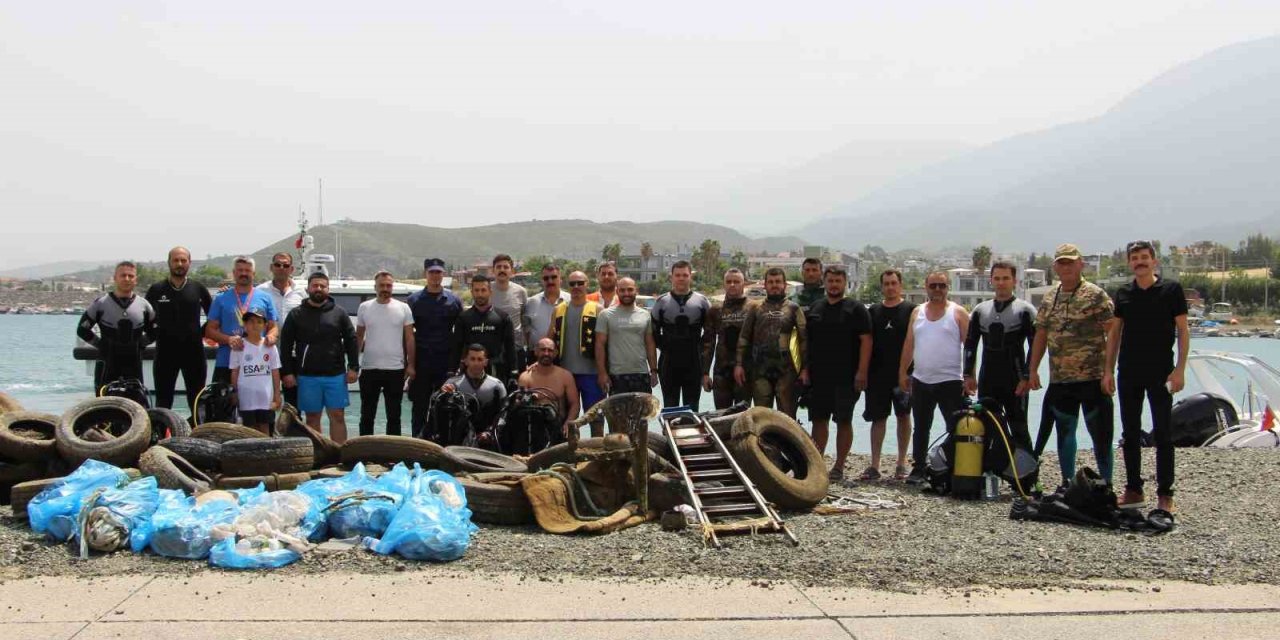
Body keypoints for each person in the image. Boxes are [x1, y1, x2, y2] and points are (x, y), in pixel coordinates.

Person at [1105, 240, 1188, 513]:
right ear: (1130, 263)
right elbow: (1115, 333)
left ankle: (1165, 494)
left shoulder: (1171, 290)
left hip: (1161, 371)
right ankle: (1133, 489)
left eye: (1144, 257)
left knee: (1163, 433)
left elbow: (1183, 331)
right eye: (1134, 258)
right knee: (1130, 433)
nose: (1139, 262)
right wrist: (1108, 370)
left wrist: (1180, 369)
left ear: (1154, 261)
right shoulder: (1124, 293)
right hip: (1129, 371)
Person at [1029, 243, 1116, 490]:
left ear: (1080, 264)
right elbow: (1041, 335)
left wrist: (1109, 371)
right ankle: (1068, 483)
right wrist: (1033, 369)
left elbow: (1113, 333)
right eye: (1062, 262)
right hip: (1061, 379)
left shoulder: (1096, 295)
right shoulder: (1050, 297)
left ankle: (1107, 484)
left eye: (1071, 262)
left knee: (1101, 435)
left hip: (1093, 378)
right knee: (1065, 432)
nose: (1066, 267)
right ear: (1055, 266)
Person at [900, 271, 970, 485]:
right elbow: (909, 344)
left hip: (951, 380)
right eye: (933, 286)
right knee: (921, 427)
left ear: (948, 287)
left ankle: (955, 466)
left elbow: (970, 348)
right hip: (921, 380)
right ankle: (919, 467)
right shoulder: (917, 312)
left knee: (955, 427)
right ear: (926, 287)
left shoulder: (958, 313)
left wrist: (970, 376)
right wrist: (903, 371)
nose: (937, 290)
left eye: (942, 285)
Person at [804, 266, 872, 482]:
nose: (834, 285)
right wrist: (805, 370)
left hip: (847, 376)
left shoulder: (857, 309)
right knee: (818, 420)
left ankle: (839, 466)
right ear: (825, 282)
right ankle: (818, 463)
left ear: (844, 284)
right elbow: (806, 342)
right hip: (819, 376)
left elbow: (866, 341)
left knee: (844, 420)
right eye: (831, 281)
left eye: (838, 281)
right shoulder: (815, 308)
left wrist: (862, 372)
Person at [963, 261, 1037, 454]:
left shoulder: (1025, 311)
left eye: (1006, 278)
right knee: (986, 427)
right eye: (997, 278)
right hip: (988, 379)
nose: (1001, 282)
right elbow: (970, 344)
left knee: (1019, 428)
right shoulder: (980, 311)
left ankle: (1027, 479)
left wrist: (1027, 377)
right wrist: (968, 375)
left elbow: (1035, 346)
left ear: (1015, 281)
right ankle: (985, 477)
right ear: (991, 281)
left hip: (1015, 380)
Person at [279, 272, 360, 442]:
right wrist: (286, 373)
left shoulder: (340, 313)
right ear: (308, 288)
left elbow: (352, 340)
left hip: (336, 375)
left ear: (328, 289)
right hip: (307, 376)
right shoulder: (296, 314)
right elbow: (285, 345)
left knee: (337, 416)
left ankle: (339, 454)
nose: (318, 289)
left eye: (322, 286)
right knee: (312, 417)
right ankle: (319, 455)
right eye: (315, 285)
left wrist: (353, 367)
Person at [862, 269, 916, 481]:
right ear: (882, 286)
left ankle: (901, 463)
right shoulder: (873, 311)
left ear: (900, 285)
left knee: (904, 416)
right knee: (878, 419)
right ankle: (875, 465)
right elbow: (866, 343)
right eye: (886, 284)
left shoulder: (911, 310)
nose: (890, 287)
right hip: (877, 375)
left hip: (904, 374)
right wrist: (863, 371)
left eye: (894, 283)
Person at [145, 247, 212, 413]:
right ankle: (160, 436)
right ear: (169, 262)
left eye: (183, 260)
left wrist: (200, 333)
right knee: (163, 401)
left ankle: (199, 436)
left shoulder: (198, 289)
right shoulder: (156, 289)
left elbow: (214, 317)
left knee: (197, 402)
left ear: (189, 263)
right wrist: (154, 335)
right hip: (164, 355)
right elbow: (145, 318)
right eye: (176, 260)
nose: (179, 264)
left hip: (194, 353)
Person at [736, 268, 806, 418]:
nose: (774, 285)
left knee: (787, 419)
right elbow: (744, 338)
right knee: (762, 418)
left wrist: (805, 369)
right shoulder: (755, 308)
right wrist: (739, 365)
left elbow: (804, 340)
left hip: (786, 371)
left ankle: (786, 442)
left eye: (778, 282)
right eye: (771, 282)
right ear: (765, 285)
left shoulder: (794, 308)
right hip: (760, 371)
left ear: (784, 285)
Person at [407, 258, 464, 438]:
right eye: (431, 272)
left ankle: (442, 440)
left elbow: (461, 332)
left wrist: (460, 362)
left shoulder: (454, 300)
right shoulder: (413, 300)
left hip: (445, 362)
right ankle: (417, 441)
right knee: (419, 405)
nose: (435, 276)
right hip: (421, 361)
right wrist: (410, 364)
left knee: (445, 404)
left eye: (438, 272)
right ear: (426, 274)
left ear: (443, 274)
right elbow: (407, 334)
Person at [356, 271, 415, 436]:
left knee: (394, 416)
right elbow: (359, 337)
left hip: (395, 370)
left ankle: (392, 455)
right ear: (375, 287)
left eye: (388, 285)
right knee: (367, 415)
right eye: (381, 285)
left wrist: (411, 365)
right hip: (369, 369)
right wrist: (353, 364)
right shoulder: (364, 307)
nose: (385, 288)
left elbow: (410, 338)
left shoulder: (403, 308)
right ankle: (364, 453)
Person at [78, 261, 156, 387]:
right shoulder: (100, 304)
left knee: (134, 404)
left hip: (134, 367)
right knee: (104, 405)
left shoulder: (144, 305)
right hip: (106, 365)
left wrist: (140, 344)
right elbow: (82, 330)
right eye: (123, 275)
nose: (127, 279)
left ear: (136, 280)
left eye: (131, 276)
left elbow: (155, 331)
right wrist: (101, 344)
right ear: (115, 278)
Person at [548, 271, 605, 437]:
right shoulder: (558, 310)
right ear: (568, 286)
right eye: (572, 284)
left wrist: (603, 372)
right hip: (566, 374)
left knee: (595, 416)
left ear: (587, 284)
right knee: (567, 418)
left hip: (592, 374)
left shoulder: (598, 309)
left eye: (580, 283)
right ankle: (571, 453)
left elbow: (604, 344)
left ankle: (598, 451)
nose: (576, 287)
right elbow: (549, 339)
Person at [206, 257, 278, 384]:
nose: (243, 273)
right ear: (234, 273)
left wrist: (271, 336)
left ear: (253, 274)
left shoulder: (265, 298)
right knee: (224, 403)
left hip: (257, 364)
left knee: (257, 403)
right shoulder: (220, 298)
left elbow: (273, 326)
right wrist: (229, 339)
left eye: (247, 270)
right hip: (226, 362)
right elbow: (209, 330)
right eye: (240, 270)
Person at [651, 260, 711, 410]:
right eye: (677, 275)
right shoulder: (661, 302)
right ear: (671, 277)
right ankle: (669, 433)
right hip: (668, 363)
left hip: (694, 363)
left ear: (690, 276)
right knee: (670, 407)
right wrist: (664, 348)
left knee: (692, 409)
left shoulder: (702, 302)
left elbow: (709, 336)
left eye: (685, 275)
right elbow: (652, 334)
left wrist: (705, 370)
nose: (681, 278)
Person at [596, 277, 659, 399]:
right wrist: (602, 373)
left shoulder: (645, 315)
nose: (626, 294)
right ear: (617, 291)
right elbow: (599, 345)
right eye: (622, 290)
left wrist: (654, 370)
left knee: (641, 416)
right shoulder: (606, 315)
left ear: (636, 290)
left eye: (630, 290)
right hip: (616, 375)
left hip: (641, 374)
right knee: (619, 417)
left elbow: (650, 344)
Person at [256, 251, 304, 406]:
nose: (281, 268)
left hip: (293, 355)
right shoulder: (260, 292)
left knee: (293, 404)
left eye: (285, 265)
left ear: (292, 269)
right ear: (271, 267)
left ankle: (293, 430)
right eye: (278, 264)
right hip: (266, 353)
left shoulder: (302, 293)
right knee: (266, 402)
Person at [702, 268, 754, 409]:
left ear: (743, 284)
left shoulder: (753, 308)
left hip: (745, 372)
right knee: (721, 416)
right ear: (724, 284)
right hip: (721, 372)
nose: (732, 285)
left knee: (743, 418)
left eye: (736, 282)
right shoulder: (715, 310)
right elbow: (708, 343)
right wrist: (705, 373)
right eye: (729, 281)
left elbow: (759, 341)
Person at [451, 274, 516, 381]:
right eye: (476, 290)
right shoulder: (463, 318)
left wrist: (514, 370)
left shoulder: (503, 317)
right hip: (470, 373)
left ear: (490, 292)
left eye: (483, 290)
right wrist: (452, 370)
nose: (480, 294)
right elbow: (457, 347)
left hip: (496, 371)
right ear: (472, 292)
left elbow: (510, 346)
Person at [229, 309, 281, 435]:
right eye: (250, 321)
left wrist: (277, 397)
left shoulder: (270, 347)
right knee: (248, 430)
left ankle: (266, 453)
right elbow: (235, 372)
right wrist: (234, 392)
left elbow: (275, 372)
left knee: (265, 429)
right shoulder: (239, 347)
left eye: (259, 322)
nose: (254, 325)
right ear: (244, 325)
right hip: (246, 398)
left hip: (266, 398)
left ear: (264, 325)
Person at [518, 337, 581, 439]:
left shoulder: (565, 376)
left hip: (559, 427)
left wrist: (568, 423)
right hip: (533, 428)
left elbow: (575, 404)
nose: (546, 353)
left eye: (550, 350)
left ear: (555, 353)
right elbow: (519, 405)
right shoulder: (526, 377)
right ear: (536, 352)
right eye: (543, 350)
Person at [441, 344, 508, 437]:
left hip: (488, 438)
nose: (476, 363)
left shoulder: (497, 386)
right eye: (472, 359)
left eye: (480, 359)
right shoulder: (452, 384)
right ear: (465, 361)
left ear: (486, 362)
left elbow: (504, 414)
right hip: (458, 439)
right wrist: (442, 395)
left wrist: (490, 433)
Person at [489, 254, 529, 377]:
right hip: (492, 351)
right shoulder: (486, 290)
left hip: (516, 350)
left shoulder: (521, 291)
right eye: (498, 267)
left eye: (506, 267)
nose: (502, 270)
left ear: (512, 271)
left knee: (517, 389)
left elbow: (524, 320)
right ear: (493, 270)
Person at [525, 263, 569, 353]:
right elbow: (526, 329)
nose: (550, 281)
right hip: (537, 356)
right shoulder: (531, 302)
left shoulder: (570, 301)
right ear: (542, 281)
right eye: (546, 278)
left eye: (554, 277)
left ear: (560, 279)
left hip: (564, 355)